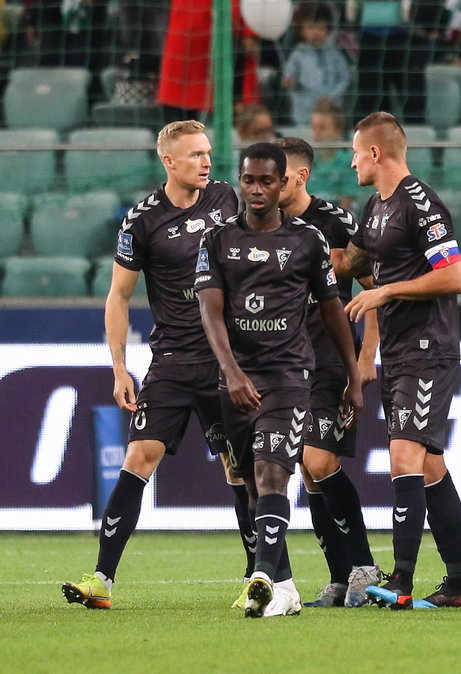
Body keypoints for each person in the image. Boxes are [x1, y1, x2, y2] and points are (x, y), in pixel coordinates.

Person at [61, 120, 249, 611]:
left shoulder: (228, 199)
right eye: (194, 155)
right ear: (168, 161)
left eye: (208, 152)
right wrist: (120, 368)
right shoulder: (142, 221)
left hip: (227, 360)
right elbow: (118, 297)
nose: (207, 162)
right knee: (139, 456)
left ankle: (260, 576)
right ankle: (101, 579)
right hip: (172, 361)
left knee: (240, 468)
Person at [196, 142, 363, 618]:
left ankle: (262, 577)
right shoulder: (218, 240)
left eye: (267, 180)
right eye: (248, 180)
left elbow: (332, 312)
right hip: (236, 380)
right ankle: (285, 586)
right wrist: (230, 373)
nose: (256, 189)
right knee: (249, 481)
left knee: (275, 472)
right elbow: (209, 311)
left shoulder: (306, 240)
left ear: (283, 181)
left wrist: (353, 375)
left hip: (291, 377)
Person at [340, 112, 461, 609]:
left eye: (356, 151)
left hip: (428, 349)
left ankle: (401, 578)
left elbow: (455, 277)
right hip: (400, 351)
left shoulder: (419, 202)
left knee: (405, 458)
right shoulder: (374, 208)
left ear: (375, 153)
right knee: (431, 468)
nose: (351, 159)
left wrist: (387, 292)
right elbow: (347, 263)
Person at [274, 137, 382, 608]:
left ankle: (364, 565)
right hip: (286, 366)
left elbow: (372, 289)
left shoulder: (335, 222)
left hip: (332, 362)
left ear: (299, 176)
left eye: (275, 177)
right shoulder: (261, 225)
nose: (264, 187)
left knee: (319, 461)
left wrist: (366, 357)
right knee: (308, 470)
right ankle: (340, 577)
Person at [282, 2, 351, 125]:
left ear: (328, 29)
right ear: (301, 30)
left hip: (331, 112)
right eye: (310, 27)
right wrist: (290, 82)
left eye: (320, 28)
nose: (316, 32)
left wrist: (332, 98)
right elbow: (290, 78)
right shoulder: (298, 55)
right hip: (304, 113)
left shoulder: (335, 53)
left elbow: (344, 78)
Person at [308, 98, 370, 211]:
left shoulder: (350, 162)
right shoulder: (308, 163)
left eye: (322, 128)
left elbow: (346, 205)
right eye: (314, 127)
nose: (316, 133)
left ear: (338, 130)